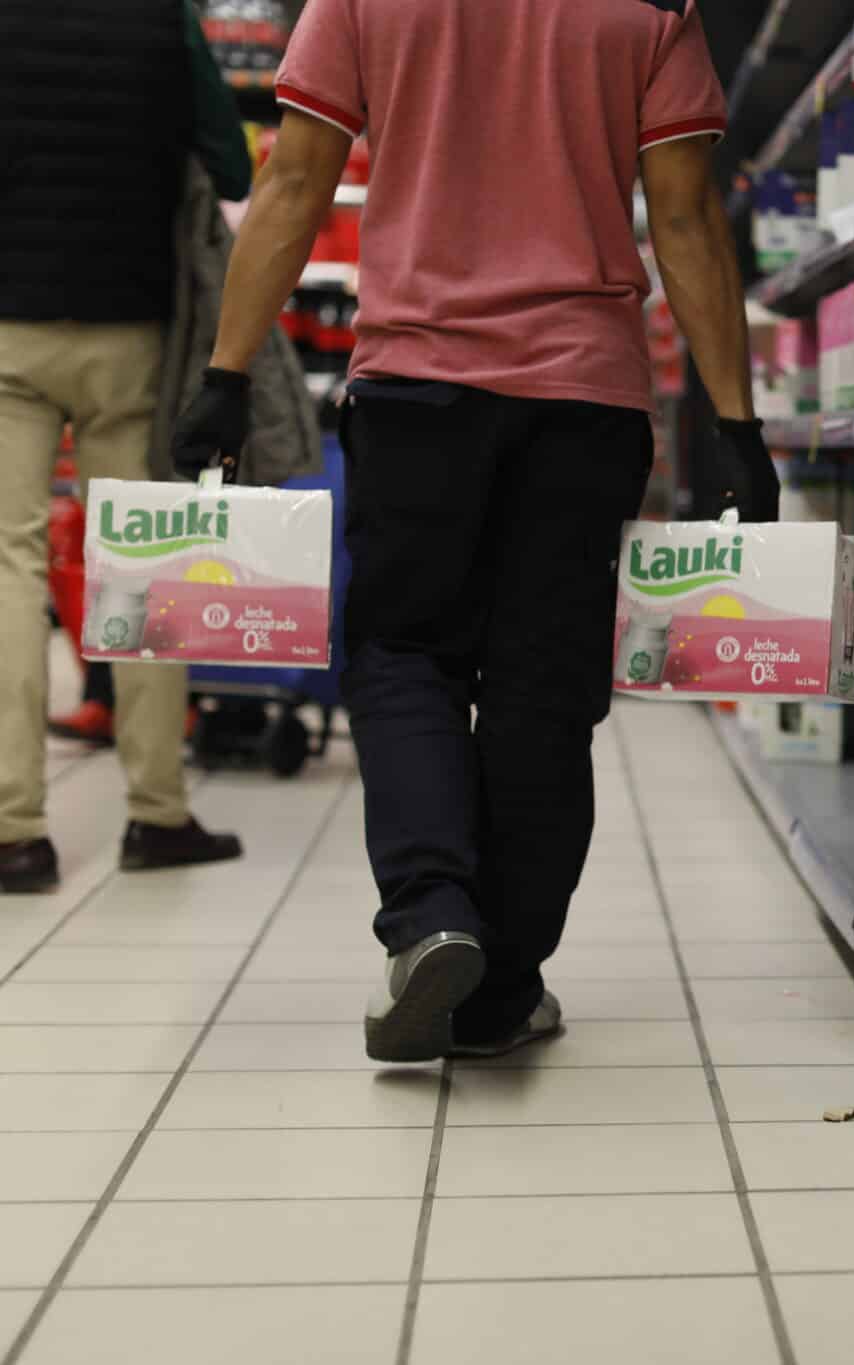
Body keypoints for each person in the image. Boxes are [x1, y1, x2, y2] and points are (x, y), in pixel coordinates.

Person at [173, 0, 775, 1061]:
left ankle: (430, 914)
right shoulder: (650, 8)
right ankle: (501, 991)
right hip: (584, 401)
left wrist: (223, 376)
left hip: (416, 391)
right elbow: (683, 218)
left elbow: (296, 181)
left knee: (404, 653)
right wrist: (733, 420)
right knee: (542, 692)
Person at [0, 0, 251, 895]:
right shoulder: (163, 18)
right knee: (140, 563)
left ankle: (14, 832)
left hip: (8, 328)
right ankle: (157, 811)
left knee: (9, 566)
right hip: (131, 331)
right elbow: (229, 158)